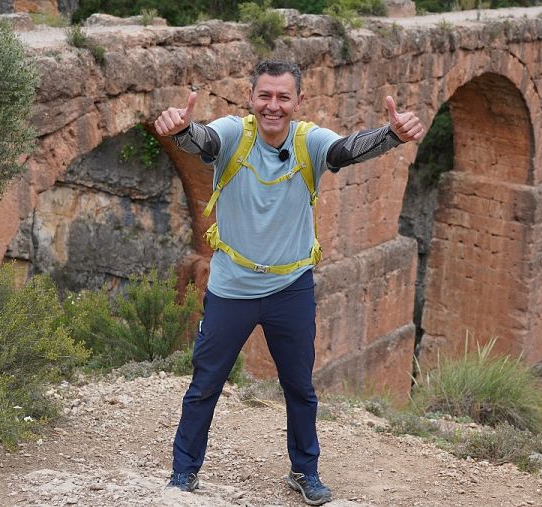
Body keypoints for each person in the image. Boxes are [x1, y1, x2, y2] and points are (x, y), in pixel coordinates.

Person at [153, 60, 424, 506]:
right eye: (265, 96)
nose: (272, 106)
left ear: (299, 101)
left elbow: (345, 151)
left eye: (283, 97)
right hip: (231, 289)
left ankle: (305, 472)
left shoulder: (308, 140)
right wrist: (181, 130)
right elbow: (204, 141)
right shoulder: (233, 134)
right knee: (205, 383)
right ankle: (184, 473)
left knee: (299, 387)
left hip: (290, 288)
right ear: (250, 98)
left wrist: (391, 135)